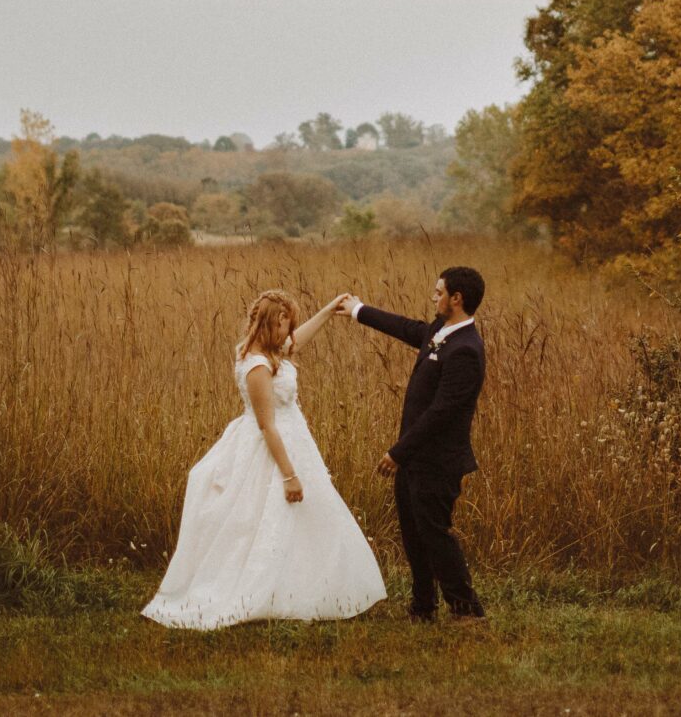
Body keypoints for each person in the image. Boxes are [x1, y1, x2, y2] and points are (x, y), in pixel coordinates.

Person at [141, 289, 386, 629]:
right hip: (273, 448)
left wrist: (330, 310)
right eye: (286, 325)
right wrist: (289, 475)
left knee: (304, 519)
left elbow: (298, 341)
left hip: (294, 440)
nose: (290, 333)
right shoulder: (257, 365)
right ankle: (262, 591)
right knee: (266, 517)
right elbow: (267, 425)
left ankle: (307, 588)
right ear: (272, 324)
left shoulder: (270, 351)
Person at [340, 267, 488, 623]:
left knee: (434, 534)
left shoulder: (466, 350)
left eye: (439, 292)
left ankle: (466, 609)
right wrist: (359, 310)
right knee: (413, 534)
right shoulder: (440, 331)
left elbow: (442, 413)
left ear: (457, 298)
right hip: (414, 458)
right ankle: (423, 607)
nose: (434, 297)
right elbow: (407, 328)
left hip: (437, 460)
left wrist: (398, 452)